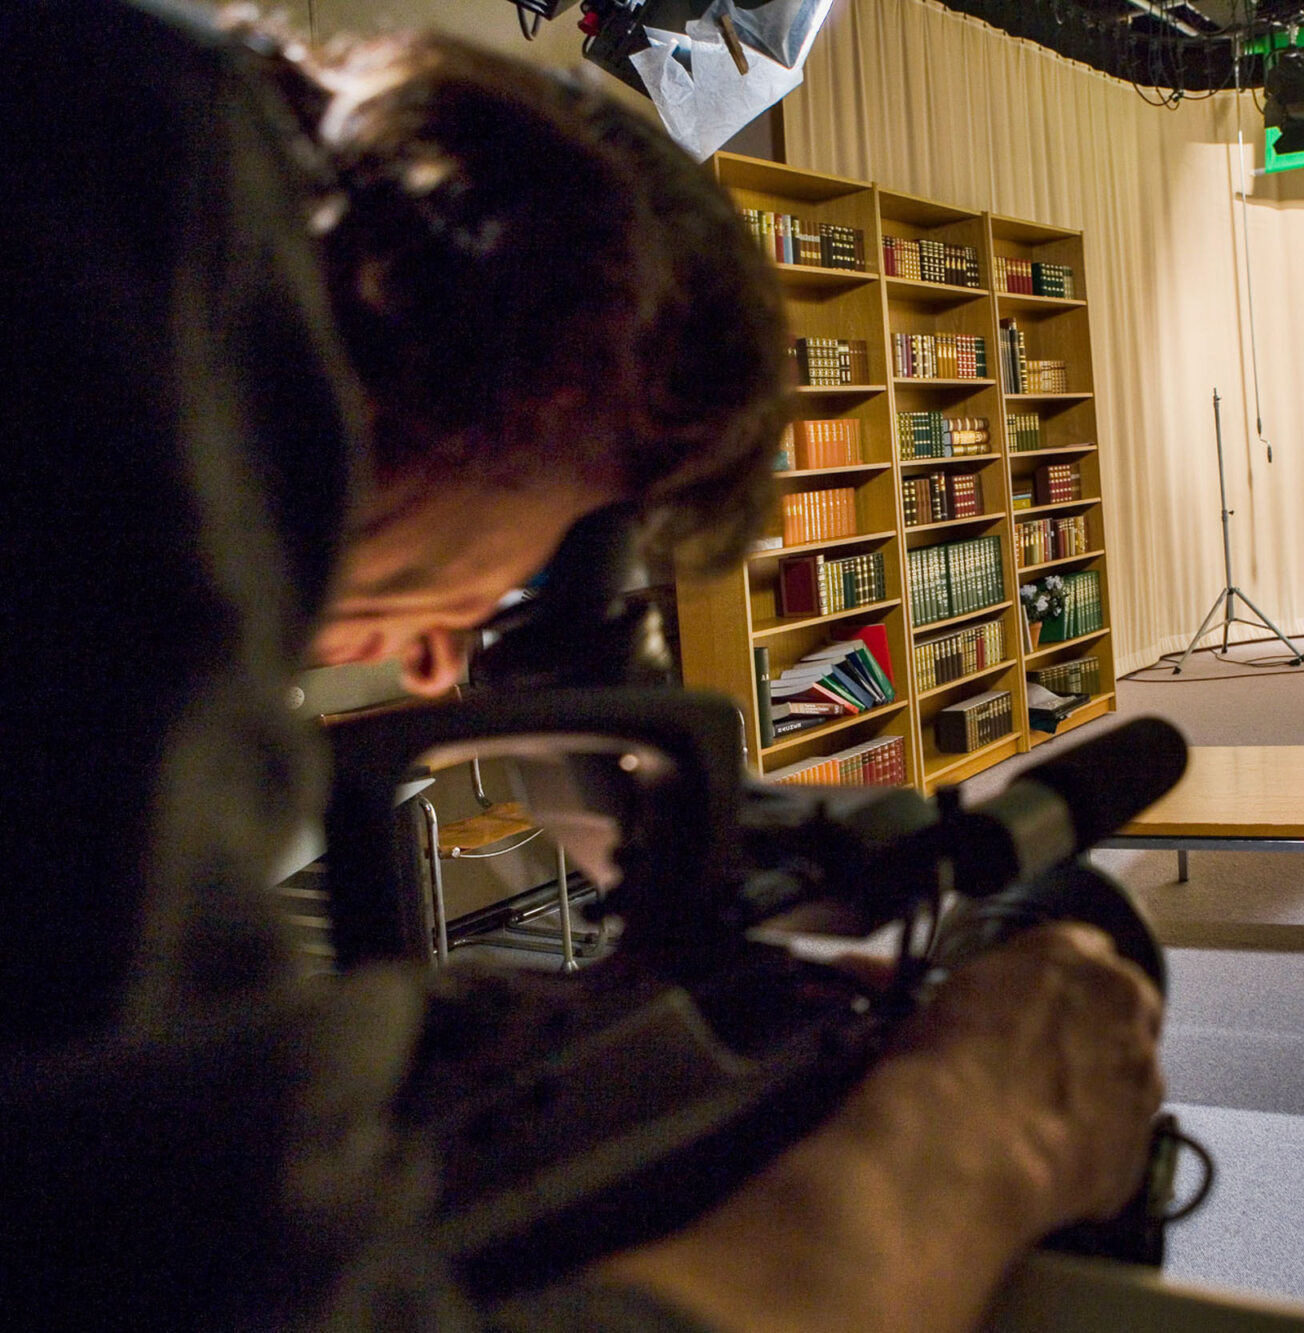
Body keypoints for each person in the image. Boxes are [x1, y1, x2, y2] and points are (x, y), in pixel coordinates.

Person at [0, 4, 1163, 1330]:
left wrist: (740, 840)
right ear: (547, 387)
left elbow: (571, 667)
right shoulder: (135, 251)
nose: (442, 667)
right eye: (516, 564)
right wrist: (957, 1154)